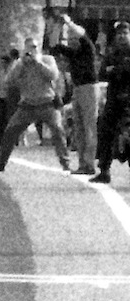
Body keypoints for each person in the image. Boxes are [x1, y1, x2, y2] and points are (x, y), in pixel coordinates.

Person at [0, 36, 71, 173]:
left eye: (34, 47)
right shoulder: (20, 63)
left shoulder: (47, 60)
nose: (32, 50)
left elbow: (53, 75)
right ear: (24, 49)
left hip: (47, 103)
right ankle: (0, 163)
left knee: (58, 130)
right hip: (27, 105)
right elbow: (9, 80)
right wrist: (21, 65)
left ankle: (66, 163)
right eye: (29, 47)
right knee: (10, 132)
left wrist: (38, 63)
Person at [49, 12, 99, 176]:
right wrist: (57, 26)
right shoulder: (72, 53)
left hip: (89, 88)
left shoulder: (88, 49)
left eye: (73, 38)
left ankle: (90, 163)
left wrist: (68, 23)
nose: (71, 41)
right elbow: (53, 45)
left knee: (89, 126)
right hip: (77, 89)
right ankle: (82, 164)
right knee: (79, 127)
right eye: (69, 39)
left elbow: (82, 34)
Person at [93, 21, 130, 184]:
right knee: (105, 132)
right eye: (119, 34)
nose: (122, 36)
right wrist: (119, 69)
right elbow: (102, 73)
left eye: (125, 33)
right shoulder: (111, 53)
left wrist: (115, 69)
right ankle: (104, 170)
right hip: (114, 99)